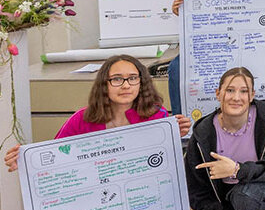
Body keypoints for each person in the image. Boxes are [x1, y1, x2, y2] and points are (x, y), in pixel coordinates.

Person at [4, 56, 192, 172]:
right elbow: (56, 156)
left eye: (133, 78)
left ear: (141, 83)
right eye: (117, 79)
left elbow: (163, 163)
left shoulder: (156, 117)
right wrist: (26, 160)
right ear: (104, 84)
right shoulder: (81, 120)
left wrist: (178, 135)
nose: (126, 85)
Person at [185, 67, 265, 210]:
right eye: (230, 90)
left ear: (252, 95)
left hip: (262, 196)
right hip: (224, 208)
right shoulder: (202, 135)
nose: (237, 97)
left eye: (244, 91)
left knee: (244, 195)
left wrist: (238, 170)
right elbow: (198, 191)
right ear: (218, 94)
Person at [168, 0, 248, 114]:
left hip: (234, 43)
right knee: (175, 67)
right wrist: (179, 12)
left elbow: (237, 16)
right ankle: (180, 121)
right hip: (204, 48)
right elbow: (191, 31)